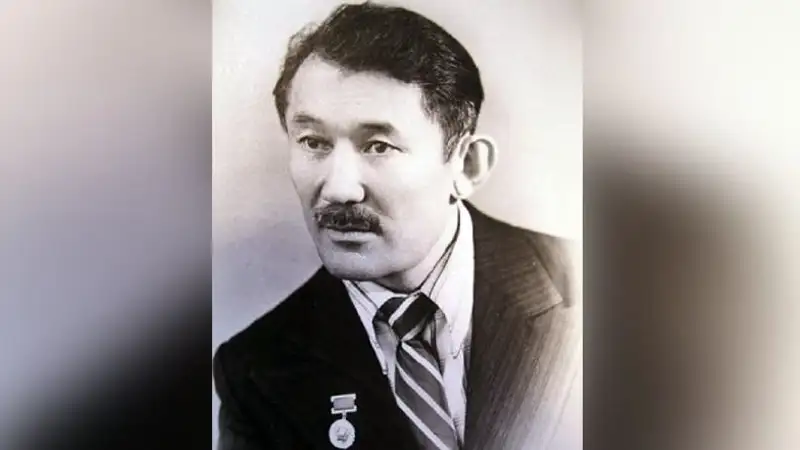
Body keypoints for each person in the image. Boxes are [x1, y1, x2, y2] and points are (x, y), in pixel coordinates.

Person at [213, 2, 579, 449]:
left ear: (467, 164)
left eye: (378, 146)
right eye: (313, 142)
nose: (339, 189)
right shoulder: (257, 374)